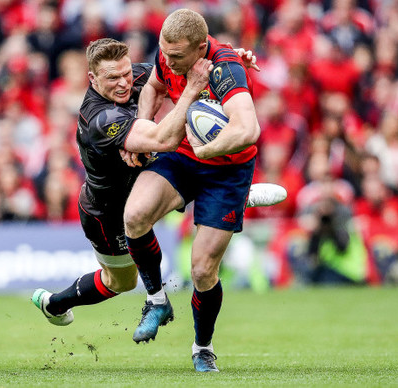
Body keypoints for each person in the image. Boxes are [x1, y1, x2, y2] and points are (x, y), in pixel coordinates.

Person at [31, 39, 284, 331]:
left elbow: (186, 69)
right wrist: (189, 92)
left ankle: (228, 197)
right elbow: (164, 139)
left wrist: (230, 66)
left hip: (149, 183)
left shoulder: (135, 75)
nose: (124, 83)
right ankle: (56, 304)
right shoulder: (99, 118)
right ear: (93, 79)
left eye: (126, 73)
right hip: (108, 210)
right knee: (121, 282)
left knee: (168, 178)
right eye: (113, 78)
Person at [122, 9, 285, 373]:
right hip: (182, 156)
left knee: (202, 271)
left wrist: (205, 149)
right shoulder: (169, 56)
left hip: (225, 170)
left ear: (200, 48)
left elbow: (247, 130)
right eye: (164, 52)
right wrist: (145, 129)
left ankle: (203, 347)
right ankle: (157, 300)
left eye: (176, 56)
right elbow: (153, 85)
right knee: (134, 216)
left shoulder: (227, 67)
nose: (168, 60)